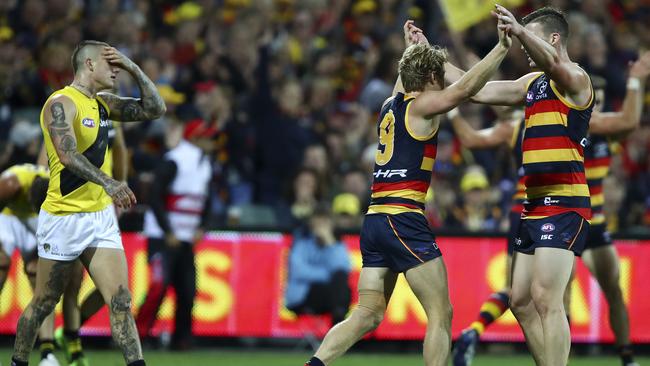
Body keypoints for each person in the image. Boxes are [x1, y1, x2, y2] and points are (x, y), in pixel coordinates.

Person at [304, 18, 511, 366]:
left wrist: (414, 47)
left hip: (374, 221)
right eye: (438, 76)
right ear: (431, 79)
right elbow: (465, 90)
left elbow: (409, 72)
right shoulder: (422, 105)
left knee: (367, 314)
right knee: (440, 314)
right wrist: (500, 49)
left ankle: (315, 363)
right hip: (404, 218)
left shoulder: (391, 103)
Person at [444, 6, 631, 365]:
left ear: (554, 39)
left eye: (530, 39)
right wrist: (431, 59)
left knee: (547, 298)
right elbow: (476, 89)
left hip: (565, 204)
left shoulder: (576, 78)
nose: (523, 49)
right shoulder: (532, 84)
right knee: (519, 301)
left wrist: (518, 29)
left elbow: (557, 66)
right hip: (533, 206)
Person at [11, 40, 165, 366]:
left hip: (99, 218)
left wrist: (133, 67)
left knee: (120, 301)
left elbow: (156, 108)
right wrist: (109, 181)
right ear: (90, 65)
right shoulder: (61, 102)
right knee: (44, 302)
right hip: (63, 217)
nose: (116, 71)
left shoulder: (104, 104)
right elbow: (67, 155)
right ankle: (19, 362)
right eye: (111, 65)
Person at [51, 121, 129, 366]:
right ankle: (74, 348)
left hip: (103, 206)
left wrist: (122, 180)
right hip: (73, 206)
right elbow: (52, 155)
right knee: (73, 282)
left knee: (118, 289)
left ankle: (69, 331)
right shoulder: (68, 107)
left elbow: (119, 148)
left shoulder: (109, 116)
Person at [137, 119, 215, 350]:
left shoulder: (204, 163)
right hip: (162, 236)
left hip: (186, 237)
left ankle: (182, 339)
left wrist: (202, 226)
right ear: (196, 138)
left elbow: (207, 201)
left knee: (187, 290)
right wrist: (168, 230)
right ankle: (137, 335)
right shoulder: (175, 159)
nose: (212, 141)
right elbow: (155, 196)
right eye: (208, 137)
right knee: (158, 285)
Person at [0, 164, 60, 366]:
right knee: (1, 265)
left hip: (36, 222)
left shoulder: (57, 190)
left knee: (41, 282)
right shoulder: (10, 184)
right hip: (7, 216)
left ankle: (47, 353)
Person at [286, 205, 351, 325]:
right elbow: (298, 271)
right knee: (338, 290)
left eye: (324, 222)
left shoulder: (336, 245)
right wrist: (328, 274)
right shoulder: (302, 244)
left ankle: (338, 320)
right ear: (312, 224)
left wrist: (330, 243)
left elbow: (344, 269)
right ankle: (338, 329)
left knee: (344, 286)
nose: (321, 226)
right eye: (318, 222)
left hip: (328, 295)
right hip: (302, 296)